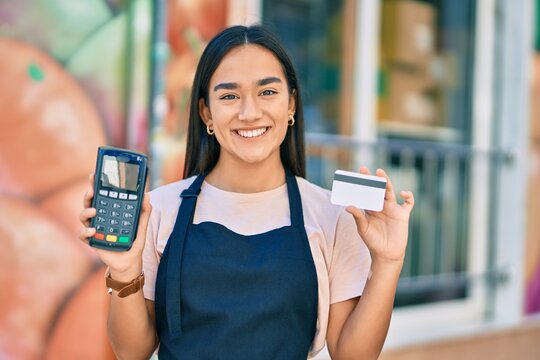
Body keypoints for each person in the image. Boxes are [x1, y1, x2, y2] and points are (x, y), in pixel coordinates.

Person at [79, 25, 415, 360]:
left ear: (291, 105)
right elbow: (131, 352)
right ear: (206, 113)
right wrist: (123, 272)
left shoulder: (333, 214)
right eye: (229, 96)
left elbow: (353, 355)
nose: (249, 112)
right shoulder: (159, 209)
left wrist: (387, 262)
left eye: (267, 92)